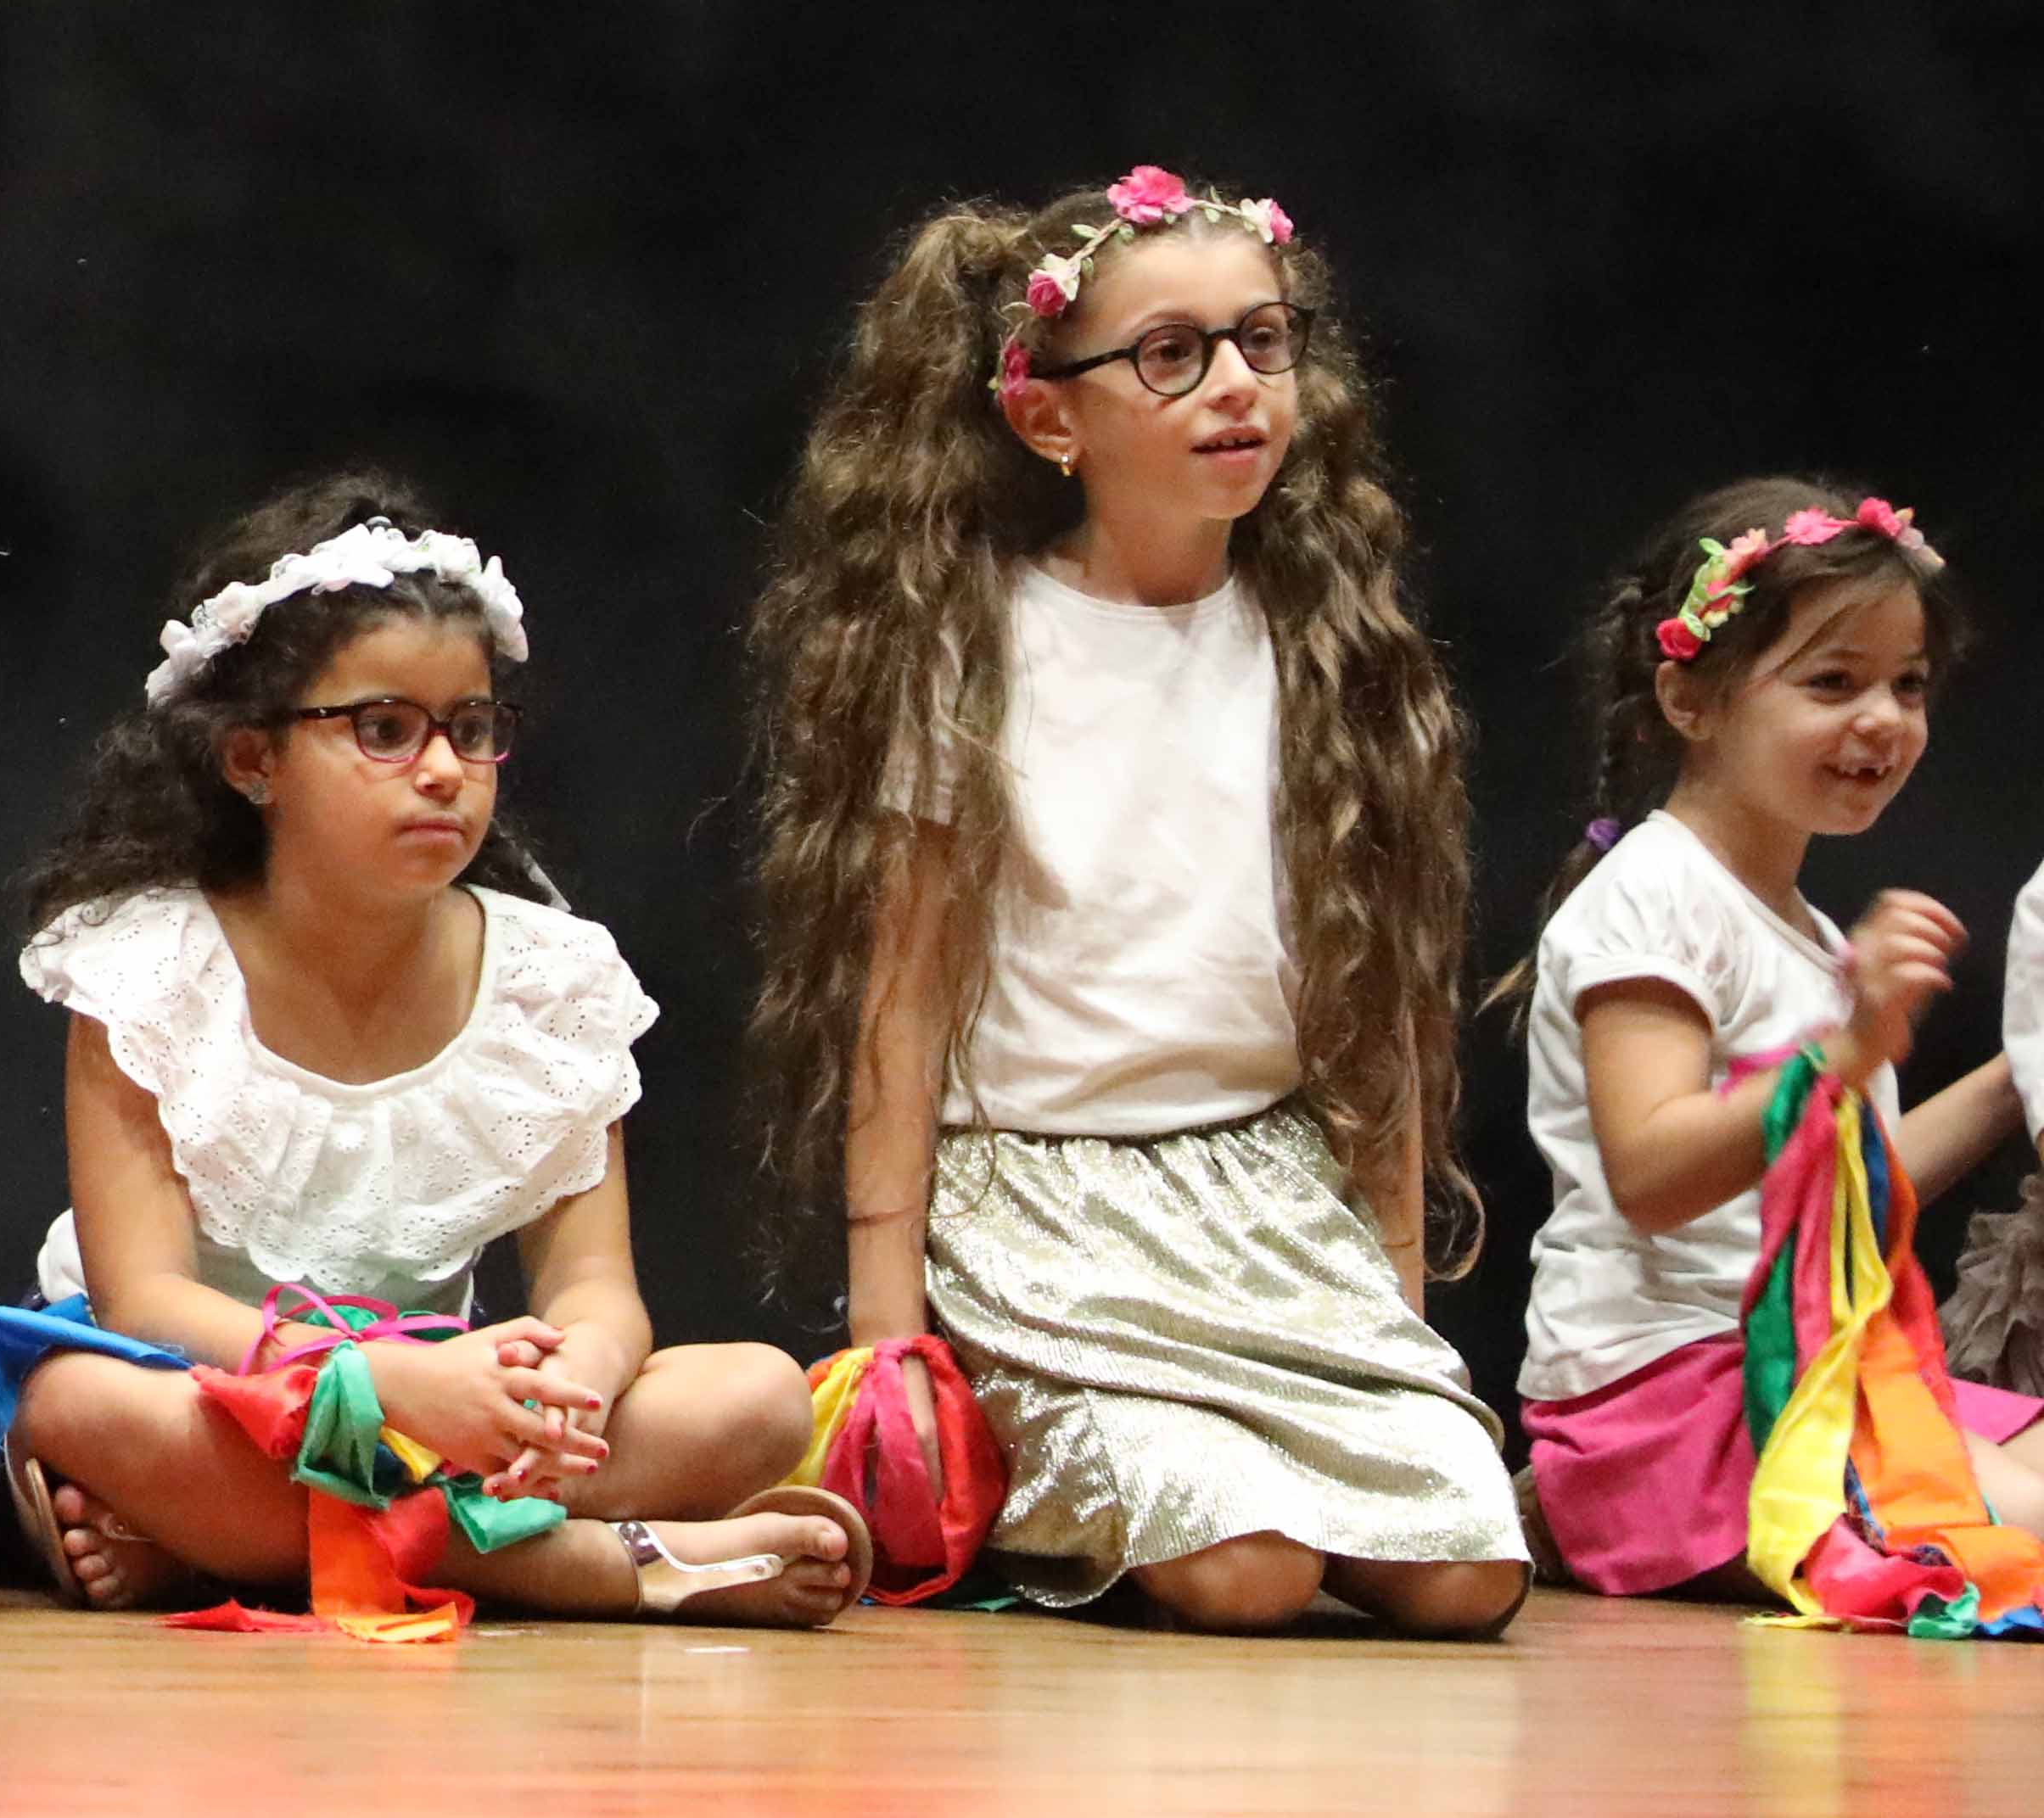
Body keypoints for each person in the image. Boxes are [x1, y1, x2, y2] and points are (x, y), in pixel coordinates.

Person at [744, 170, 1520, 1636]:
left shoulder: (1328, 648)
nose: (1235, 384)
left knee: (1468, 1575)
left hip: (1269, 1205)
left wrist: (1396, 1316)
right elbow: (903, 1001)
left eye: (1262, 341)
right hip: (1046, 1211)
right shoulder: (977, 648)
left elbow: (1373, 1011)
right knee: (1245, 1573)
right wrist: (889, 1349)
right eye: (1172, 354)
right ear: (1050, 418)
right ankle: (1044, 1476)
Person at [0, 474, 856, 1626]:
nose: (444, 770)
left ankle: (236, 1550)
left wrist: (574, 1388)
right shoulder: (151, 967)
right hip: (222, 1385)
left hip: (445, 1398)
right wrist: (380, 1380)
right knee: (80, 1409)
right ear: (252, 760)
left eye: (472, 730)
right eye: (385, 731)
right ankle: (593, 1567)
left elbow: (594, 1286)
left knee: (756, 1399)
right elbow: (145, 1300)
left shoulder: (552, 980)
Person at [1507, 485, 2034, 1587]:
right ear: (1689, 699)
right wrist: (1848, 1052)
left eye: (1907, 685)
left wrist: (2016, 1073)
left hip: (1793, 1374)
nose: (1883, 718)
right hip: (1666, 1401)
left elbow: (1847, 1185)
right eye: (1833, 682)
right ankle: (1578, 1507)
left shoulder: (1809, 932)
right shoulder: (1655, 896)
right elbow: (1652, 1174)